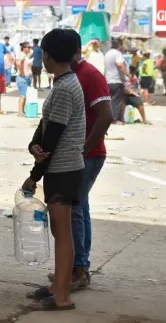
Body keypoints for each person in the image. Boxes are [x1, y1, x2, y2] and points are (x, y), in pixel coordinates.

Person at [43, 29, 112, 291]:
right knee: (78, 209)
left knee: (74, 212)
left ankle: (78, 269)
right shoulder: (66, 76)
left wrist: (83, 150)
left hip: (86, 155)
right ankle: (74, 267)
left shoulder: (89, 75)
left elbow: (105, 115)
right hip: (74, 155)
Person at [22, 28, 86, 311]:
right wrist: (33, 144)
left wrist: (33, 177)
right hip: (64, 167)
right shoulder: (66, 83)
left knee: (62, 233)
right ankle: (57, 286)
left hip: (63, 168)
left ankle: (61, 296)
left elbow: (52, 139)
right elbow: (46, 128)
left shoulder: (63, 89)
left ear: (48, 56)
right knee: (62, 234)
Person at [105, 38, 130, 124]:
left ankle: (110, 118)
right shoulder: (117, 53)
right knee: (116, 101)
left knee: (111, 100)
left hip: (109, 80)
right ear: (119, 46)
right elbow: (120, 65)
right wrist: (127, 74)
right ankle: (114, 119)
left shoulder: (107, 53)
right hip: (117, 80)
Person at [16, 41, 33, 116]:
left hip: (27, 77)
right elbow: (19, 64)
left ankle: (22, 110)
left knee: (25, 95)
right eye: (28, 47)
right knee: (23, 95)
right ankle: (20, 111)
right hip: (23, 78)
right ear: (24, 48)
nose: (30, 48)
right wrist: (22, 73)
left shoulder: (26, 55)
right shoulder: (22, 55)